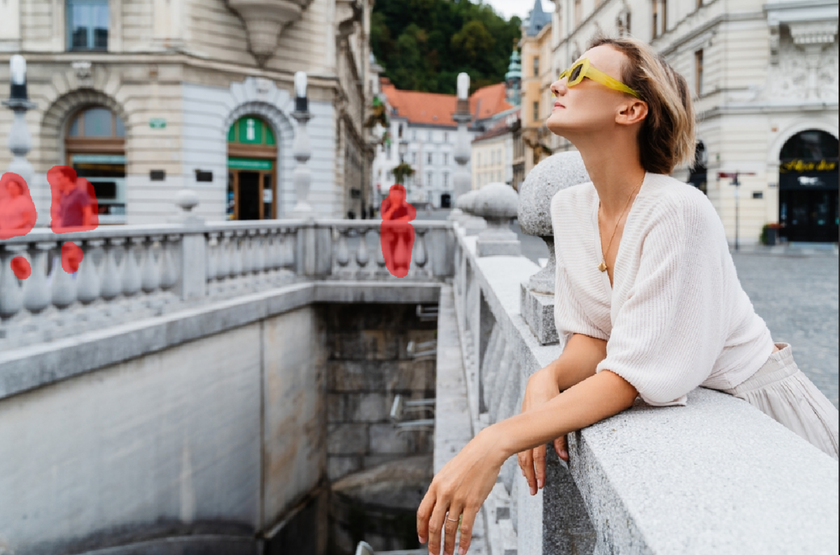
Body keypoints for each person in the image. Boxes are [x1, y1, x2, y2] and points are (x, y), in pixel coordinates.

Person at [416, 36, 839, 555]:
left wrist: (498, 439)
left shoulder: (678, 210)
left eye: (579, 75)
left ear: (631, 109)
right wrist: (547, 376)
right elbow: (594, 338)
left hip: (766, 412)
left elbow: (630, 378)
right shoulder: (570, 207)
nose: (557, 84)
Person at [49, 165, 96, 232]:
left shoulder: (80, 194)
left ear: (67, 178)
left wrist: (84, 232)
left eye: (59, 179)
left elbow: (88, 214)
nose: (57, 181)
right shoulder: (62, 194)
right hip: (63, 231)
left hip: (75, 232)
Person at [0, 173, 37, 240]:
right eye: (9, 187)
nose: (11, 190)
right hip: (4, 234)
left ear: (19, 188)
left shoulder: (23, 201)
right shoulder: (4, 201)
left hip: (19, 235)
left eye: (13, 187)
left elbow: (27, 219)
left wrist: (11, 229)